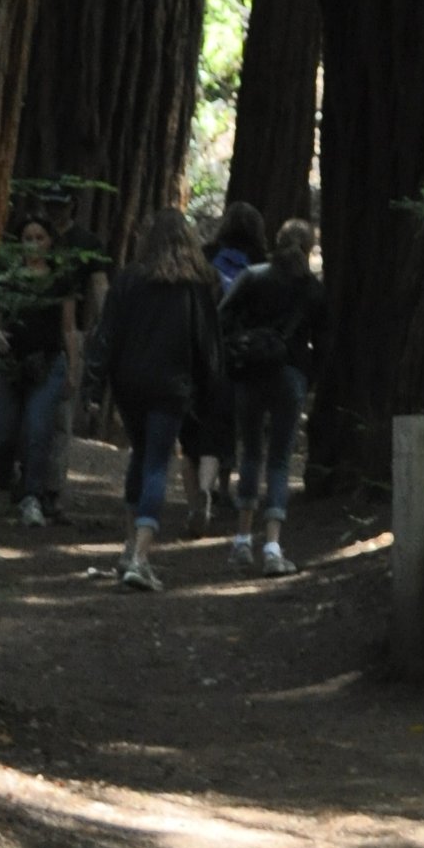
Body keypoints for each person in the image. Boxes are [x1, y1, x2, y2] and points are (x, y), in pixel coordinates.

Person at [80, 205, 225, 590]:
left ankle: (130, 547)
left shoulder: (129, 279)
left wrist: (93, 387)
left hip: (129, 384)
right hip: (171, 386)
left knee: (141, 455)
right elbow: (207, 345)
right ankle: (141, 558)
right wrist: (211, 394)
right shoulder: (195, 286)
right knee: (157, 462)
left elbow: (106, 334)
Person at [224, 217, 327, 577]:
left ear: (277, 241)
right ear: (309, 247)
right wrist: (308, 378)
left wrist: (239, 348)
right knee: (280, 461)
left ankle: (241, 540)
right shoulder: (312, 289)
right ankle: (272, 547)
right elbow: (323, 343)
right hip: (290, 375)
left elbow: (223, 316)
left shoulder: (252, 276)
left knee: (251, 453)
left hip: (250, 374)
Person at [0, 214, 79, 526]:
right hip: (6, 364)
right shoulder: (7, 277)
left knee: (38, 430)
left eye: (40, 238)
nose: (34, 244)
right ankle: (6, 480)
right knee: (2, 435)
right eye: (28, 238)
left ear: (50, 242)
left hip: (47, 364)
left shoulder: (61, 280)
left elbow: (68, 328)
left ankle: (32, 497)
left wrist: (73, 368)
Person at [188, 201, 268, 523]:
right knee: (234, 422)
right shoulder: (261, 262)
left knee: (205, 416)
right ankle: (224, 486)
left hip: (205, 346)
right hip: (242, 352)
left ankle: (203, 487)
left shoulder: (206, 255)